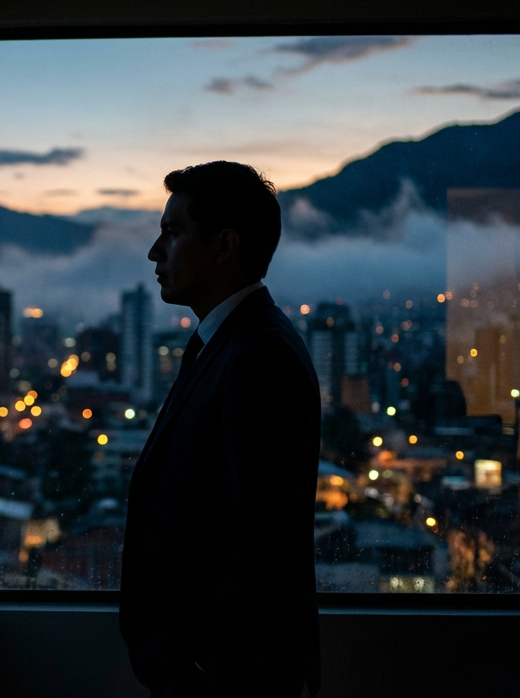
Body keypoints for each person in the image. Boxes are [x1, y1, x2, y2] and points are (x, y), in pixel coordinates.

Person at [121, 161, 321, 697]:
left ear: (224, 245)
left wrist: (207, 669)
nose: (155, 252)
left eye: (173, 232)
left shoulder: (259, 355)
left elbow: (264, 537)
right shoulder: (229, 343)